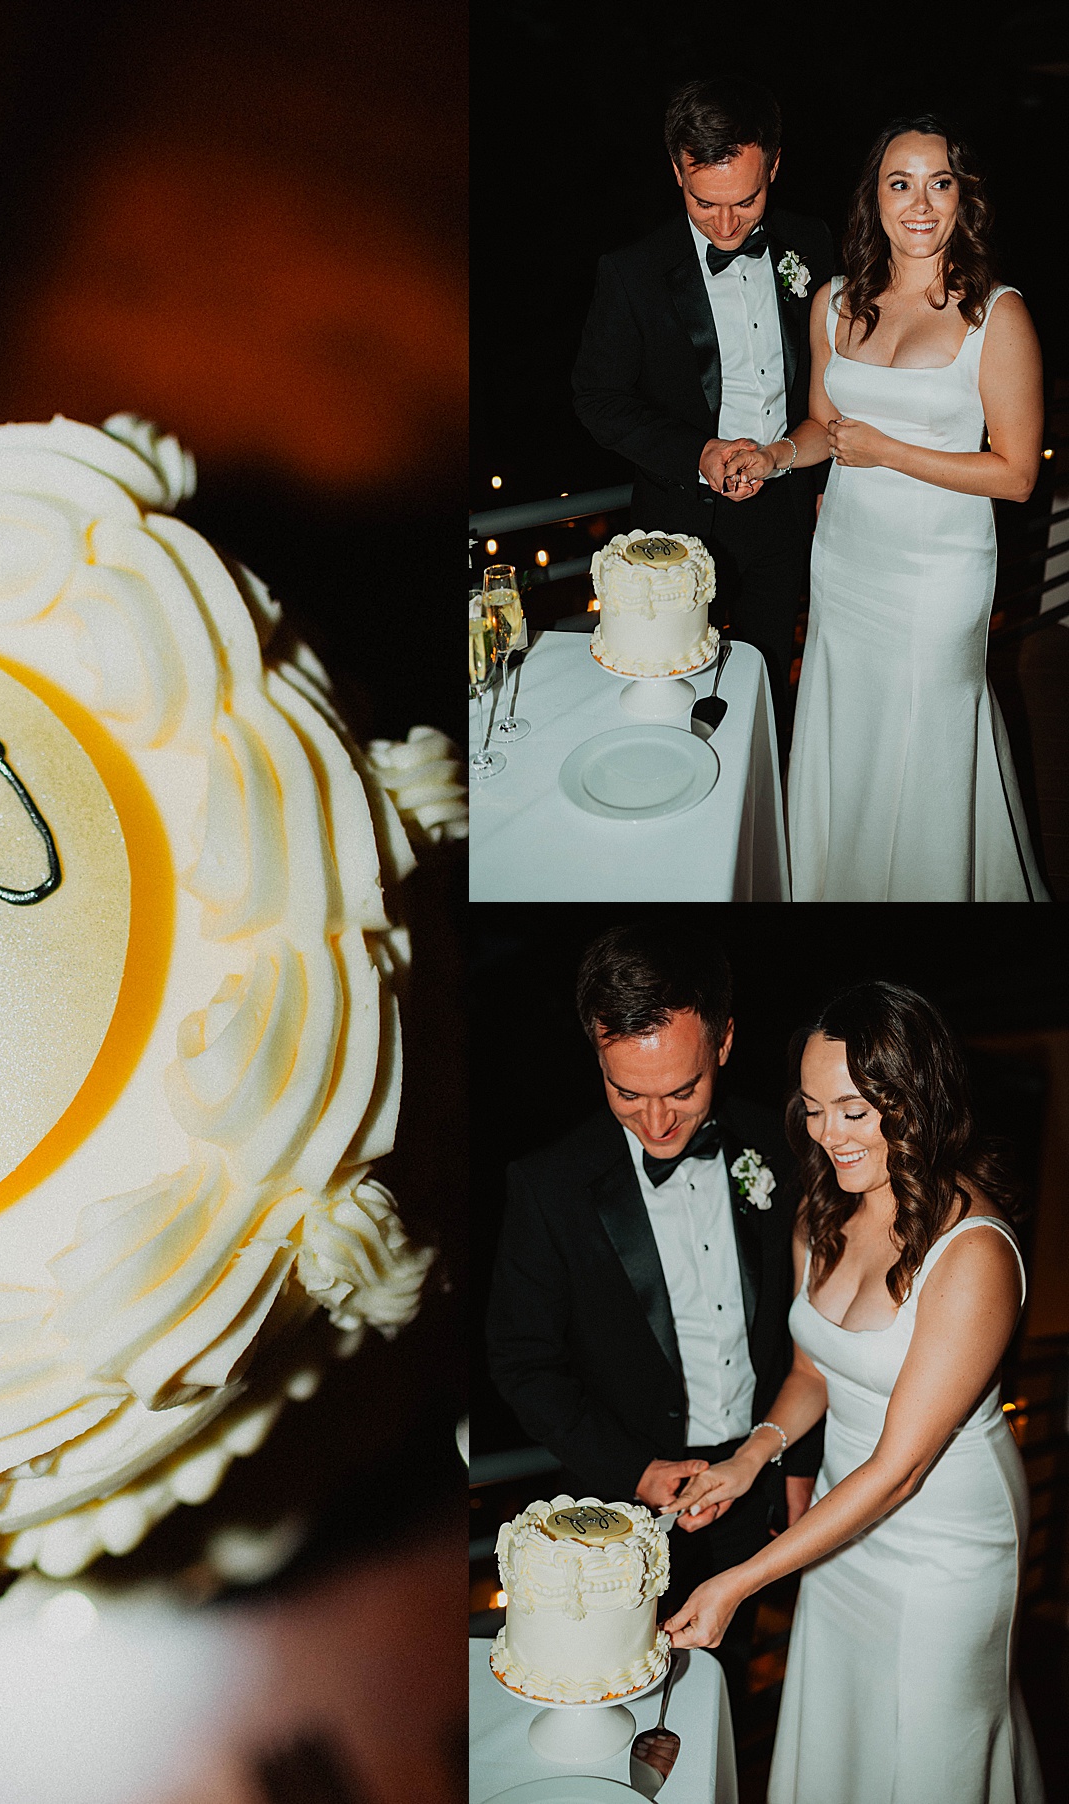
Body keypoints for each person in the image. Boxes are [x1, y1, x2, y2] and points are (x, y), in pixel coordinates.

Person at [665, 981, 1045, 1804]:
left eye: (853, 1110)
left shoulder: (973, 1254)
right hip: (843, 1513)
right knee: (844, 1740)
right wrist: (750, 1457)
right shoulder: (823, 1212)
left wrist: (738, 1580)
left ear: (915, 1101)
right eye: (811, 1108)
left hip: (944, 1543)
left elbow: (902, 1470)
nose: (826, 1135)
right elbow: (812, 1373)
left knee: (928, 1749)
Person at [485, 924, 820, 1706]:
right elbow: (521, 1361)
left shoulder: (789, 1148)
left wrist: (797, 1469)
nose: (659, 1122)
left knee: (720, 1703)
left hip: (757, 1485)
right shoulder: (548, 1187)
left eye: (683, 1090)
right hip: (617, 1518)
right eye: (627, 1092)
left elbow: (817, 1327)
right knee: (615, 1708)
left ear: (725, 1042)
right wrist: (632, 1467)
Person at [727, 117, 1046, 899]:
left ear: (962, 196)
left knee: (928, 738)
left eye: (940, 183)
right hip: (847, 560)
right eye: (900, 183)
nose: (921, 203)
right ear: (875, 197)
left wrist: (890, 453)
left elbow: (1015, 475)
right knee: (854, 732)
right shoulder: (836, 302)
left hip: (940, 572)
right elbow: (824, 428)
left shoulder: (995, 315)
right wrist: (773, 455)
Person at [572, 78, 834, 755]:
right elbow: (597, 398)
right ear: (676, 170)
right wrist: (698, 452)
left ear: (774, 165)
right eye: (703, 201)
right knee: (672, 703)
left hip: (785, 508)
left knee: (767, 682)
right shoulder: (631, 272)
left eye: (746, 201)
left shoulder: (813, 243)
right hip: (675, 529)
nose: (725, 224)